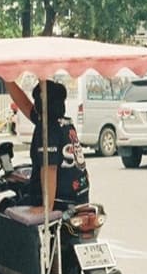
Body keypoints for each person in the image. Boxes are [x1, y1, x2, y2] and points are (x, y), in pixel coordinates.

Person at [7, 79, 89, 215]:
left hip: (60, 201)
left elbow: (49, 168)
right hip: (80, 196)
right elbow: (26, 106)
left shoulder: (47, 129)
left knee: (8, 214)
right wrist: (7, 79)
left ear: (41, 104)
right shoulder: (65, 123)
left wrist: (47, 207)